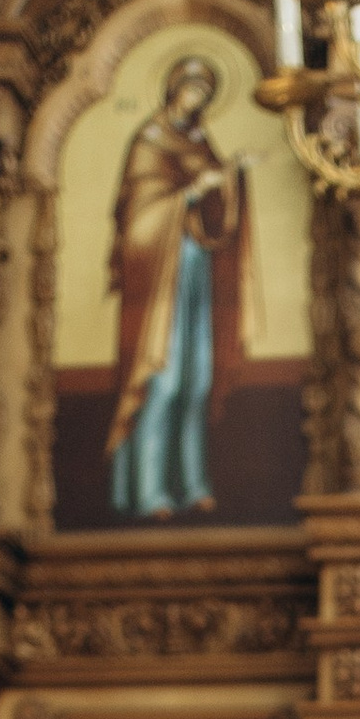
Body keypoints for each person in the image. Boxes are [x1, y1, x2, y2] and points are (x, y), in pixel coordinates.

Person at [106, 54, 245, 517]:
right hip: (157, 282)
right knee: (160, 382)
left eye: (204, 95)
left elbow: (219, 207)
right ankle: (146, 491)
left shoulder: (200, 142)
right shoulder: (148, 141)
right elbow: (136, 219)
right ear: (172, 90)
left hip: (194, 267)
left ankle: (194, 484)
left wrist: (229, 176)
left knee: (197, 380)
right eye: (191, 91)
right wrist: (188, 191)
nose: (195, 101)